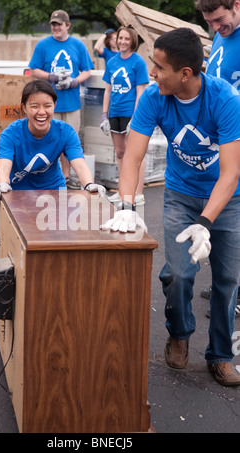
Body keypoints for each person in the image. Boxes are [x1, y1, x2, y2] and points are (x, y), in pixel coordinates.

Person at [101, 28, 240, 386]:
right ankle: (179, 332)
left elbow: (230, 174)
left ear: (186, 74)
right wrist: (127, 205)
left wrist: (206, 221)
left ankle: (220, 354)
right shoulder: (153, 97)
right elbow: (132, 156)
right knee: (178, 275)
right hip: (180, 194)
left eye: (158, 67)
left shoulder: (225, 100)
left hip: (227, 200)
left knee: (228, 279)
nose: (151, 72)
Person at [0, 79, 105, 206]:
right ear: (24, 108)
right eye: (34, 106)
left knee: (60, 225)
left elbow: (80, 164)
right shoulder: (10, 134)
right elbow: (3, 167)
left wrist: (89, 184)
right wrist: (2, 185)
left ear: (54, 105)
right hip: (17, 193)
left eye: (47, 106)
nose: (41, 112)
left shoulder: (65, 132)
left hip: (54, 191)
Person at [195, 0, 240, 317]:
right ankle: (227, 281)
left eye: (220, 20)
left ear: (237, 5)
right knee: (223, 211)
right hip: (223, 137)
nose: (215, 27)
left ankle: (236, 292)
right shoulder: (223, 34)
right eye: (209, 22)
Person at [28, 10, 94, 190]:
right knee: (48, 140)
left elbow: (87, 70)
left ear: (67, 25)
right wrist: (51, 76)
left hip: (71, 103)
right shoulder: (43, 45)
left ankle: (66, 177)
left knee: (68, 141)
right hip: (49, 105)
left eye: (59, 24)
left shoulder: (78, 45)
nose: (56, 27)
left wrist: (75, 81)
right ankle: (47, 177)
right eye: (53, 24)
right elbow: (33, 70)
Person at [100, 26, 149, 206]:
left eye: (127, 39)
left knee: (135, 154)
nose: (123, 42)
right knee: (120, 153)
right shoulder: (112, 62)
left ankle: (137, 193)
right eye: (120, 38)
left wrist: (136, 117)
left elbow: (140, 91)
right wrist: (104, 114)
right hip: (115, 112)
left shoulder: (138, 62)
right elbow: (107, 90)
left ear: (132, 41)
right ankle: (123, 191)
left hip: (131, 112)